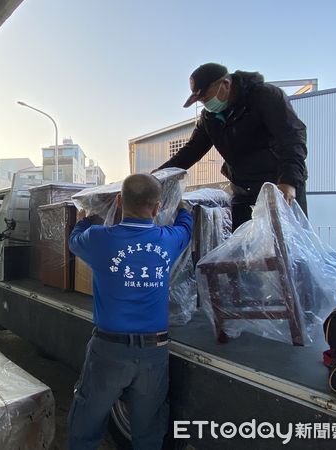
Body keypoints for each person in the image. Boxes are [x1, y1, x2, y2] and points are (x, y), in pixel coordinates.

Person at [67, 173, 192, 450]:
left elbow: (74, 240)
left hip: (108, 351)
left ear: (120, 202)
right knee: (148, 435)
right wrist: (183, 208)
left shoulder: (100, 240)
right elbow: (185, 226)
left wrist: (87, 218)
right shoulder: (168, 240)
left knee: (85, 428)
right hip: (153, 353)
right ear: (158, 208)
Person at [156, 62, 308, 230]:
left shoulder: (264, 96)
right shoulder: (210, 118)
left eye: (206, 98)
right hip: (243, 189)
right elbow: (190, 152)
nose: (205, 103)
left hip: (277, 186)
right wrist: (156, 178)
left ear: (225, 84)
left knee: (287, 245)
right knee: (243, 247)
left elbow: (292, 137)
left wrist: (289, 181)